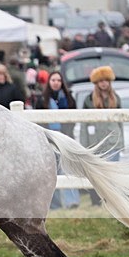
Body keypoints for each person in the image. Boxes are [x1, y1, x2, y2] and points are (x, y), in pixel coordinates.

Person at [35, 71, 79, 209]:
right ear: (49, 82)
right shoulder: (42, 100)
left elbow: (73, 118)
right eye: (53, 80)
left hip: (65, 137)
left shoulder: (69, 98)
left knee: (67, 170)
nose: (56, 82)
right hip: (48, 139)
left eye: (58, 80)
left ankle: (71, 202)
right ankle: (54, 204)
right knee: (50, 172)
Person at [80, 66, 124, 206]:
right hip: (96, 141)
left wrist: (122, 142)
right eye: (101, 81)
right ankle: (97, 200)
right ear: (96, 83)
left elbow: (121, 121)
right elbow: (84, 124)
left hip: (113, 140)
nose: (104, 83)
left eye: (106, 80)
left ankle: (112, 201)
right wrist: (84, 144)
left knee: (112, 173)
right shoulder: (88, 100)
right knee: (98, 174)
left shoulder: (116, 98)